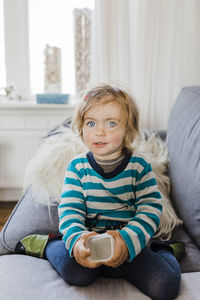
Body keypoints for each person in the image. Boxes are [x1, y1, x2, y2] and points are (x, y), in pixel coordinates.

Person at [15, 84, 181, 300]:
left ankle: (164, 250)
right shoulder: (77, 167)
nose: (100, 131)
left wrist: (127, 240)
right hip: (88, 243)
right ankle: (49, 244)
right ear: (82, 128)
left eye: (111, 123)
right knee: (77, 274)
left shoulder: (139, 167)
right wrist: (77, 241)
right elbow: (71, 210)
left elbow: (150, 210)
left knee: (164, 287)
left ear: (128, 130)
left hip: (128, 245)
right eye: (91, 123)